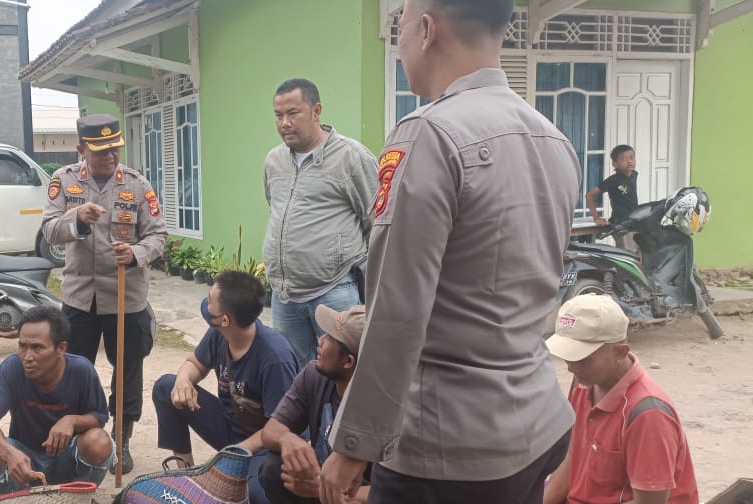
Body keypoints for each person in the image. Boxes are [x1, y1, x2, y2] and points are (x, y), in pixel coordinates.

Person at [320, 1, 581, 503]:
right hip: (534, 422)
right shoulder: (553, 138)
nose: (399, 46)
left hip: (447, 445)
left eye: (399, 28)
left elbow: (397, 309)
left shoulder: (428, 134)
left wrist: (355, 444)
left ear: (425, 29)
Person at [42, 113, 167, 474]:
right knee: (75, 370)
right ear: (81, 149)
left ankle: (121, 438)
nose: (110, 156)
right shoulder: (62, 182)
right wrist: (78, 218)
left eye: (115, 148)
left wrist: (137, 253)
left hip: (126, 298)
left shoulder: (137, 184)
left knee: (127, 370)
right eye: (100, 151)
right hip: (80, 296)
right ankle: (82, 438)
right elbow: (50, 229)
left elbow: (158, 234)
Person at [152, 270, 298, 504]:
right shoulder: (219, 333)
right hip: (230, 427)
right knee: (166, 387)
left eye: (210, 300)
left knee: (257, 494)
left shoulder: (275, 358)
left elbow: (280, 427)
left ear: (225, 320)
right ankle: (185, 475)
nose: (205, 303)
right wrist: (183, 380)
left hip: (264, 444)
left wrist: (234, 454)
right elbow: (195, 363)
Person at [263, 78, 379, 368]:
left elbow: (376, 221)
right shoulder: (274, 161)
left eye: (293, 113)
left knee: (341, 377)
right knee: (294, 381)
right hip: (285, 298)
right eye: (278, 115)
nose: (285, 123)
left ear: (316, 111)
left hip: (335, 291)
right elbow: (279, 211)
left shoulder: (351, 158)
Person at [543, 294, 699, 504]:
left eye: (583, 358)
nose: (571, 366)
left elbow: (650, 503)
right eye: (568, 356)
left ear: (620, 352)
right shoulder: (584, 382)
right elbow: (574, 455)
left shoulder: (647, 414)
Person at [0, 306, 114, 495]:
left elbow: (99, 418)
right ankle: (14, 498)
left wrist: (72, 420)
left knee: (99, 441)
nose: (27, 357)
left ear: (61, 348)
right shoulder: (12, 368)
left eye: (37, 347)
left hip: (67, 459)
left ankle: (79, 497)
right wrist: (9, 453)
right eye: (22, 346)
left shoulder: (81, 370)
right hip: (25, 460)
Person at [260, 305, 370, 504]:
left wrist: (325, 490)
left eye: (329, 337)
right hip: (321, 479)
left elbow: (401, 492)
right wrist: (286, 439)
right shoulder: (314, 375)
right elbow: (269, 432)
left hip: (354, 493)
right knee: (273, 467)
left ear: (348, 361)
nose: (319, 341)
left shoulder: (385, 408)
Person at [585, 145, 639, 251]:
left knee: (640, 255)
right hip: (621, 224)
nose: (629, 161)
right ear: (615, 164)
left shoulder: (634, 175)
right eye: (623, 159)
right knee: (627, 255)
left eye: (631, 157)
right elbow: (589, 195)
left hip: (635, 222)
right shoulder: (613, 180)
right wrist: (596, 218)